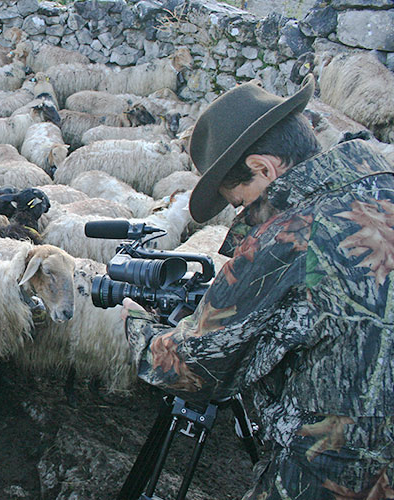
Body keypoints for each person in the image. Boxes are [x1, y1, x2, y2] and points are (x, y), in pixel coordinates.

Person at [122, 74, 394, 499]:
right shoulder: (383, 184)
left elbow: (196, 366)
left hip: (335, 477)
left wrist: (138, 325)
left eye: (243, 204)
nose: (246, 220)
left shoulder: (290, 237)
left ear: (264, 168)